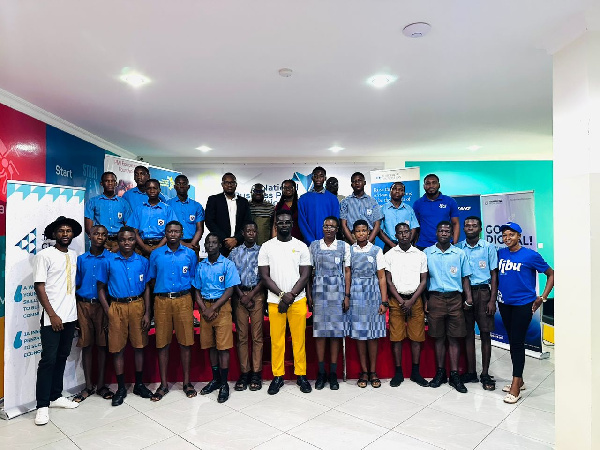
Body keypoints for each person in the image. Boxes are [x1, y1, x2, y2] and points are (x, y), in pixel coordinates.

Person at [497, 222, 554, 404]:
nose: (507, 238)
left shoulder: (530, 255)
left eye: (511, 235)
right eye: (505, 235)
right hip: (504, 304)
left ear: (519, 236)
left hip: (523, 305)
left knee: (517, 342)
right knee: (513, 341)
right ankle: (519, 380)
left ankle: (516, 385)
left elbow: (551, 274)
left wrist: (543, 298)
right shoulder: (501, 253)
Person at [33, 216, 82, 425]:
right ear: (54, 234)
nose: (65, 234)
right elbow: (39, 286)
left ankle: (55, 396)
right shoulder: (44, 255)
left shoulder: (74, 255)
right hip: (52, 317)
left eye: (68, 231)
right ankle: (42, 405)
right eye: (61, 231)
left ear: (72, 235)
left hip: (70, 315)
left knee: (62, 356)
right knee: (48, 360)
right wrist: (52, 314)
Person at [97, 226, 153, 406]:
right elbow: (100, 289)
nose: (127, 243)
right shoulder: (109, 261)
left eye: (130, 239)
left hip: (137, 306)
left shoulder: (143, 261)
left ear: (135, 240)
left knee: (139, 346)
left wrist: (147, 312)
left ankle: (139, 384)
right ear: (117, 242)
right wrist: (109, 311)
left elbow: (146, 288)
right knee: (117, 349)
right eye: (123, 240)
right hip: (117, 307)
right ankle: (121, 388)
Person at [258, 210, 312, 395]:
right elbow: (264, 276)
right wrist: (282, 295)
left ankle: (301, 375)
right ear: (275, 225)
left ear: (292, 224)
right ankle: (278, 376)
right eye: (280, 222)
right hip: (275, 301)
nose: (283, 225)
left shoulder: (301, 246)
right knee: (277, 342)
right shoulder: (266, 247)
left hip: (297, 300)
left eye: (287, 222)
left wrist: (291, 295)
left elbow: (305, 274)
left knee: (299, 341)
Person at [147, 221, 198, 401]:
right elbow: (151, 280)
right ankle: (163, 384)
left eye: (176, 231)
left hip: (184, 300)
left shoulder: (190, 254)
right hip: (162, 301)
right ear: (165, 233)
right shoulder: (156, 255)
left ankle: (186, 382)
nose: (173, 234)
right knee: (162, 343)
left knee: (186, 342)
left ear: (182, 233)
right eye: (170, 231)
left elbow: (193, 279)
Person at [424, 221, 473, 394]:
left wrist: (468, 298)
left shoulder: (459, 254)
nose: (444, 233)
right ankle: (440, 373)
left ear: (452, 234)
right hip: (435, 298)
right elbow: (423, 280)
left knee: (454, 338)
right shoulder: (427, 253)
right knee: (438, 338)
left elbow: (465, 277)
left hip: (455, 300)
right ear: (436, 232)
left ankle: (454, 375)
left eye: (447, 231)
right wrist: (425, 300)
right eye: (441, 230)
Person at [193, 233, 241, 403]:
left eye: (214, 242)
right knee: (211, 346)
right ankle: (215, 379)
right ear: (205, 246)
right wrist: (204, 309)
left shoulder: (227, 264)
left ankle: (224, 383)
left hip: (221, 308)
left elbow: (230, 289)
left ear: (219, 245)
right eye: (209, 243)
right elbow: (196, 290)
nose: (211, 245)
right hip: (205, 309)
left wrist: (213, 308)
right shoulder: (200, 266)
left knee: (223, 347)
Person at [306, 216, 351, 390]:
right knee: (320, 334)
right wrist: (309, 295)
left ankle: (333, 373)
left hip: (338, 292)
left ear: (337, 229)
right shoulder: (314, 246)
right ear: (322, 227)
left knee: (335, 334)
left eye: (332, 226)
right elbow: (309, 273)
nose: (329, 228)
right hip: (318, 292)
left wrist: (346, 295)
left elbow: (347, 272)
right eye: (326, 226)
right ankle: (321, 373)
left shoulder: (344, 246)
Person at [384, 222, 429, 388]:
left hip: (415, 300)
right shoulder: (389, 255)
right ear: (395, 235)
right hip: (396, 300)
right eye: (400, 232)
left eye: (406, 232)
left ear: (411, 234)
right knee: (396, 338)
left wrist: (411, 301)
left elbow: (424, 280)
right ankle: (398, 372)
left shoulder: (420, 255)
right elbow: (388, 281)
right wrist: (401, 301)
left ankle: (416, 372)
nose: (404, 235)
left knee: (417, 337)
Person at [456, 216, 498, 391]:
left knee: (486, 333)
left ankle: (485, 373)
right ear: (464, 228)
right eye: (467, 225)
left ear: (480, 228)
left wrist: (492, 300)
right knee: (467, 334)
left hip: (483, 293)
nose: (470, 227)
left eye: (474, 225)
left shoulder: (488, 248)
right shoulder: (458, 248)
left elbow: (494, 274)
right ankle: (471, 372)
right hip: (464, 294)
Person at [73, 225, 114, 403]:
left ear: (107, 238)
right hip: (84, 306)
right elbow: (75, 286)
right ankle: (88, 386)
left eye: (103, 235)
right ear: (90, 236)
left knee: (103, 346)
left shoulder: (111, 259)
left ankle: (102, 384)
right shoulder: (81, 260)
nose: (100, 237)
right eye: (96, 234)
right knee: (87, 345)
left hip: (103, 307)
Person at [348, 219, 388, 389]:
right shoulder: (349, 250)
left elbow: (381, 277)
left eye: (364, 230)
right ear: (353, 233)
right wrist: (347, 296)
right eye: (358, 231)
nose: (361, 233)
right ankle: (363, 371)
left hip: (373, 294)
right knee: (360, 335)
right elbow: (348, 273)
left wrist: (384, 300)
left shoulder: (377, 250)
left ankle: (373, 371)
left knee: (372, 336)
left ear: (369, 231)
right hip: (356, 294)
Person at [228, 222, 265, 391]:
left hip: (256, 295)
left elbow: (265, 277)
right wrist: (242, 295)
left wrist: (251, 295)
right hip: (239, 296)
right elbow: (230, 276)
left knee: (257, 336)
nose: (250, 233)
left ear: (257, 233)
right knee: (242, 336)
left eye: (253, 230)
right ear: (243, 233)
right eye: (247, 230)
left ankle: (256, 373)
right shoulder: (235, 252)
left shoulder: (262, 251)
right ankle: (245, 373)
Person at [204, 172, 252, 256]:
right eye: (227, 182)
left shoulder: (243, 202)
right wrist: (225, 240)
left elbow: (247, 222)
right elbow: (209, 221)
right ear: (222, 184)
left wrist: (236, 239)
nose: (229, 185)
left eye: (232, 182)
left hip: (239, 244)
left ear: (236, 184)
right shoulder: (214, 200)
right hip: (220, 245)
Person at [127, 179, 177, 257]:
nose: (152, 190)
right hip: (141, 247)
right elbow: (134, 232)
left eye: (155, 188)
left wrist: (158, 248)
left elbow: (170, 232)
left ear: (159, 190)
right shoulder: (139, 209)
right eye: (149, 188)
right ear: (145, 190)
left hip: (162, 247)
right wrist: (145, 247)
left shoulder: (167, 209)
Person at [84, 171, 132, 252]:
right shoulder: (92, 202)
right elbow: (89, 228)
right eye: (107, 181)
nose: (110, 183)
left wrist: (119, 245)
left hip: (119, 242)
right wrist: (102, 244)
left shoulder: (124, 203)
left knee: (118, 264)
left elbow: (128, 227)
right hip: (100, 241)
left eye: (112, 181)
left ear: (116, 184)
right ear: (101, 183)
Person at [413, 174, 460, 249]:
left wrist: (455, 243)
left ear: (439, 185)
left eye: (434, 183)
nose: (431, 186)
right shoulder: (418, 204)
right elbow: (415, 226)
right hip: (424, 245)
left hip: (445, 245)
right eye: (428, 183)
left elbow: (455, 223)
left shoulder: (450, 201)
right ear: (424, 186)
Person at [297, 167, 340, 245]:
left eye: (321, 176)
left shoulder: (333, 199)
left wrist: (327, 239)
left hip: (328, 243)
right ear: (312, 178)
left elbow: (335, 220)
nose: (318, 178)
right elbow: (302, 222)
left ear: (325, 178)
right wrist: (311, 240)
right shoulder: (303, 199)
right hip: (309, 243)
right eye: (315, 176)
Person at [340, 172, 383, 244]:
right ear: (351, 185)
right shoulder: (345, 202)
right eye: (354, 181)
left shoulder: (372, 202)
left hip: (369, 237)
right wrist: (353, 243)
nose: (357, 183)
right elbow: (343, 225)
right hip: (351, 237)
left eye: (359, 180)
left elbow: (377, 224)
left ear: (364, 182)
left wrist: (368, 243)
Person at [167, 174, 205, 255]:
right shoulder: (167, 205)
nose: (181, 186)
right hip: (173, 244)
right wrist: (183, 244)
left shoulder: (197, 206)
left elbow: (200, 229)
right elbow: (165, 228)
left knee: (193, 267)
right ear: (174, 187)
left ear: (188, 187)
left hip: (193, 244)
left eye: (184, 183)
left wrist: (192, 244)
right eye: (178, 183)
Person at [379, 182, 419, 252]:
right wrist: (391, 244)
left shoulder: (409, 209)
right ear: (390, 192)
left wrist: (408, 242)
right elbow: (380, 231)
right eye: (394, 189)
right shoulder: (383, 209)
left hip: (407, 245)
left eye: (400, 189)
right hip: (390, 245)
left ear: (403, 193)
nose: (397, 191)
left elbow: (414, 228)